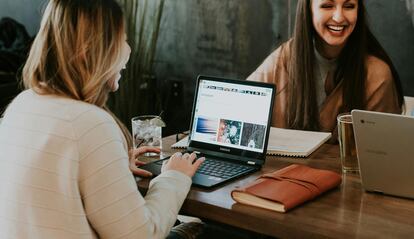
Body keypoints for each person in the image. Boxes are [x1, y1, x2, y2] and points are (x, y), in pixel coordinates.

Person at [0, 0, 204, 238]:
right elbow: (140, 235)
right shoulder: (91, 123)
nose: (128, 50)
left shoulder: (22, 105)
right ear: (93, 50)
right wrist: (173, 176)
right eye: (123, 40)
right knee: (199, 226)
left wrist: (112, 165)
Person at [247, 0, 404, 135]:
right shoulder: (282, 59)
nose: (339, 17)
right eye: (327, 6)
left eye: (349, 6)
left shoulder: (377, 74)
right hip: (282, 170)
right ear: (309, 9)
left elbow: (381, 152)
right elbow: (240, 109)